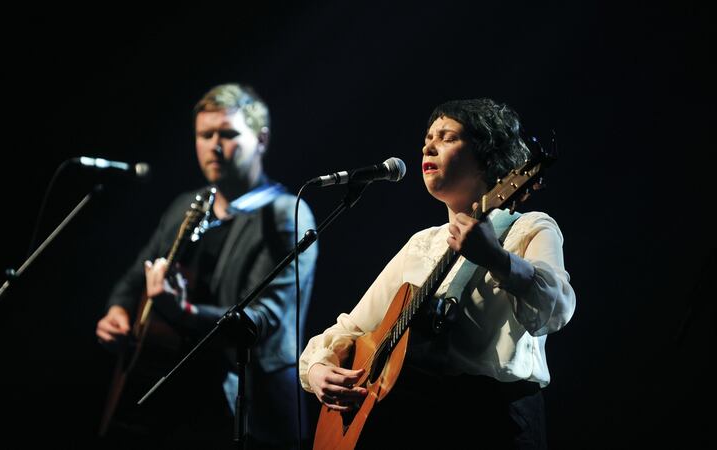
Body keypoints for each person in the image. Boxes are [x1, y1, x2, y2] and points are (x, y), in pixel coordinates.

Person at [299, 98, 575, 449]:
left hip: (499, 421)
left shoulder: (530, 228)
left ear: (488, 157)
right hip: (420, 420)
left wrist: (498, 259)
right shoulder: (421, 244)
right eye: (428, 138)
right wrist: (318, 369)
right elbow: (350, 329)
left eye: (447, 137)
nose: (428, 146)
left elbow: (557, 308)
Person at [96, 83, 318, 449]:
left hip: (251, 417)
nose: (214, 146)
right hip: (178, 411)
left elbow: (260, 321)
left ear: (261, 140)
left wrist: (182, 311)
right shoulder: (189, 205)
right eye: (205, 134)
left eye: (228, 134)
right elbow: (135, 277)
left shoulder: (285, 216)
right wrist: (118, 311)